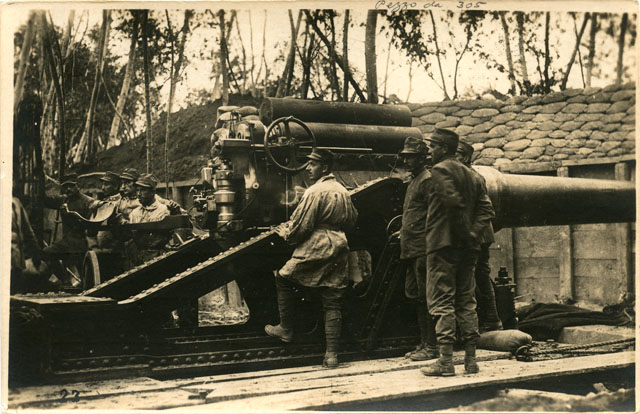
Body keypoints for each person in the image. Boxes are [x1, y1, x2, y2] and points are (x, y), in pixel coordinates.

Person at [264, 149, 358, 369]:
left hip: (317, 244)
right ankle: (332, 355)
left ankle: (286, 328)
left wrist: (286, 234)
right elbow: (352, 219)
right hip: (339, 243)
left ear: (324, 167)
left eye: (313, 164)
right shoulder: (342, 190)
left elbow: (302, 225)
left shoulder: (315, 191)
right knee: (332, 299)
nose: (307, 168)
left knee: (283, 277)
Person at [421, 129, 494, 377]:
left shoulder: (440, 170)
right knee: (466, 300)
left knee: (442, 301)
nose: (430, 151)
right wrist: (473, 235)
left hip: (443, 246)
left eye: (433, 146)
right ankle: (471, 361)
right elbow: (487, 210)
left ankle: (445, 362)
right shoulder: (473, 175)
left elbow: (453, 203)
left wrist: (463, 233)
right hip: (469, 249)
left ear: (443, 148)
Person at [397, 137, 438, 361]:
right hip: (411, 249)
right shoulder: (415, 180)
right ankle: (424, 343)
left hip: (423, 249)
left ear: (422, 158)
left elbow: (434, 216)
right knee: (415, 296)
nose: (406, 160)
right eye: (404, 157)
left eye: (411, 157)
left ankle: (432, 347)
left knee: (427, 298)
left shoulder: (427, 180)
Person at [456, 141, 503, 333]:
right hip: (477, 233)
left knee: (480, 275)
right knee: (478, 275)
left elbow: (483, 210)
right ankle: (489, 318)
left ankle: (491, 319)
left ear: (466, 158)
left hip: (479, 234)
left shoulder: (472, 177)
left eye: (458, 155)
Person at [43, 173, 101, 286]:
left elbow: (92, 226)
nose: (68, 189)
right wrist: (42, 182)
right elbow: (45, 201)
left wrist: (73, 217)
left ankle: (85, 287)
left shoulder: (88, 202)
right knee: (47, 253)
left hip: (81, 243)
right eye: (66, 186)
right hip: (66, 242)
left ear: (77, 185)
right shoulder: (64, 200)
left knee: (85, 276)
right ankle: (65, 280)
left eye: (71, 186)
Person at [11, 197, 47, 293]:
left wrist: (36, 255)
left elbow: (29, 234)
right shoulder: (16, 204)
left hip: (15, 258)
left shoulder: (16, 203)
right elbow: (29, 234)